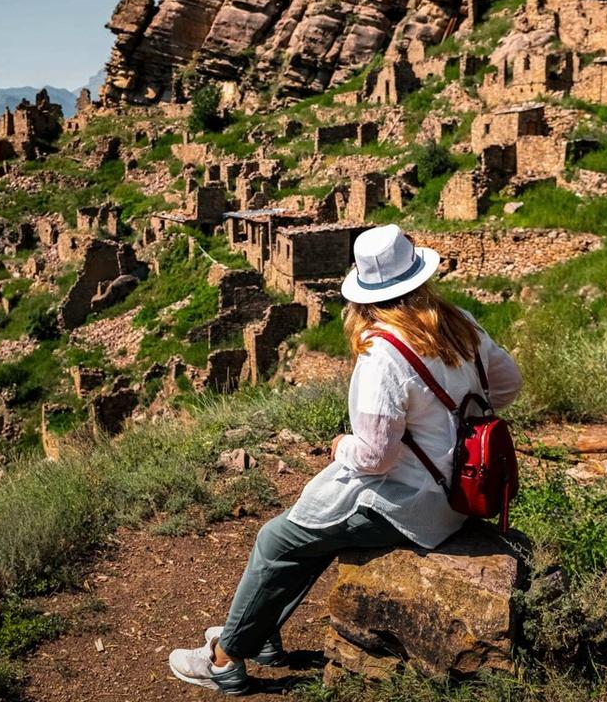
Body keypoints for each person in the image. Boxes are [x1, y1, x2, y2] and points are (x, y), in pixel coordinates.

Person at [168, 224, 523, 694]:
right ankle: (262, 638)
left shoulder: (384, 354)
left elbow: (375, 456)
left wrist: (340, 447)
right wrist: (451, 424)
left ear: (364, 295)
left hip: (414, 505)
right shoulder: (459, 323)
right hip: (460, 491)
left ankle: (225, 659)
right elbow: (508, 385)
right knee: (307, 532)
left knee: (277, 539)